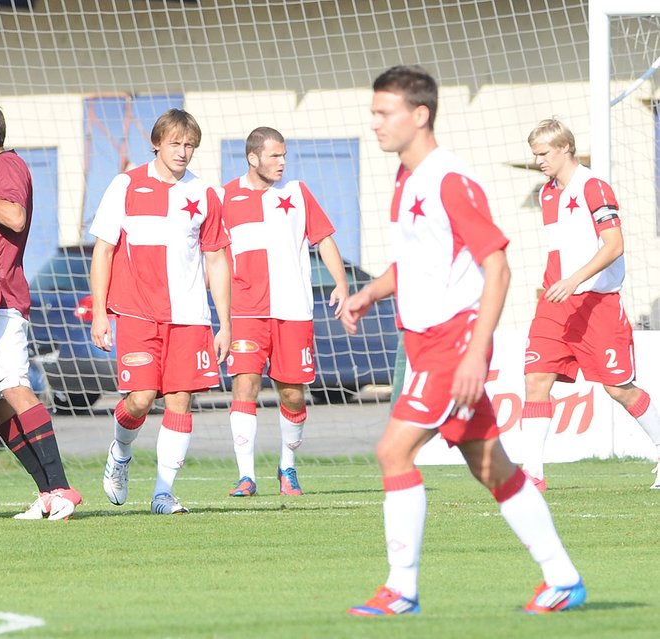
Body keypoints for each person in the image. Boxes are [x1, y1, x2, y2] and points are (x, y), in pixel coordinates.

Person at [341, 65, 583, 615]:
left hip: (455, 339)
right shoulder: (406, 178)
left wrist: (477, 351)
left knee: (393, 451)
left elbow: (497, 267)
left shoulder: (450, 178)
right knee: (489, 464)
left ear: (419, 114)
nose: (375, 122)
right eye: (374, 112)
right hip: (426, 342)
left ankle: (401, 590)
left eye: (385, 113)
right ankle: (563, 577)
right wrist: (371, 293)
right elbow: (416, 262)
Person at [90, 108, 231, 515]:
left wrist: (225, 322)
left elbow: (218, 258)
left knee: (180, 400)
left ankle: (163, 493)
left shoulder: (204, 194)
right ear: (156, 143)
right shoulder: (126, 185)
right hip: (135, 311)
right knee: (140, 398)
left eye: (190, 145)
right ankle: (121, 451)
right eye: (175, 143)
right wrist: (100, 312)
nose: (183, 152)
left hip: (189, 316)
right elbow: (104, 249)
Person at [0, 100, 82, 520]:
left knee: (14, 386)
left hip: (4, 300)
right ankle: (48, 493)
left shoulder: (6, 166)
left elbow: (15, 216)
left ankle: (60, 487)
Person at [518, 118, 660, 490]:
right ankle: (532, 474)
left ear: (565, 147)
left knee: (619, 389)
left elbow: (614, 246)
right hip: (555, 304)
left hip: (596, 304)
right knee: (536, 380)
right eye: (535, 155)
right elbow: (559, 250)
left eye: (543, 154)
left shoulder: (594, 187)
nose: (539, 162)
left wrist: (573, 280)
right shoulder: (547, 193)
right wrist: (555, 284)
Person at [221, 126, 348, 497]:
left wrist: (341, 283)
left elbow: (324, 238)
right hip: (245, 311)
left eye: (284, 155)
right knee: (245, 384)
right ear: (252, 157)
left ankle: (287, 468)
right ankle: (246, 476)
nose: (282, 162)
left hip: (293, 310)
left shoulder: (296, 193)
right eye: (275, 156)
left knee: (292, 394)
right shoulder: (222, 197)